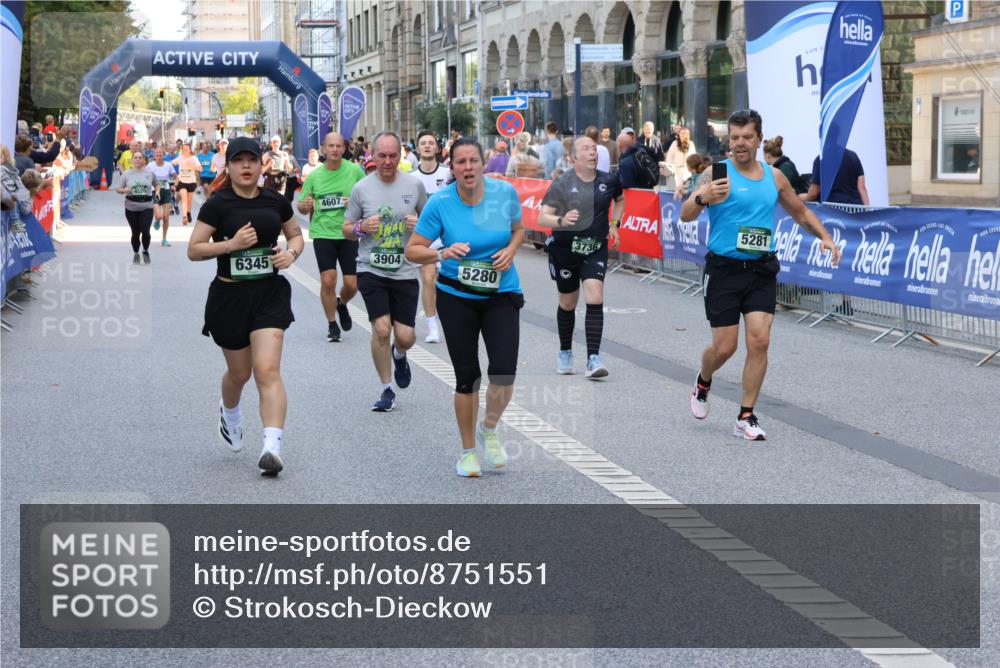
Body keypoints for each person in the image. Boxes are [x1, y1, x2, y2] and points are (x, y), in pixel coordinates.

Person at [680, 109, 842, 441]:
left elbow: (800, 211)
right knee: (724, 348)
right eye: (734, 137)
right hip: (724, 268)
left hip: (761, 268)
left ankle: (746, 415)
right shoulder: (716, 173)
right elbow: (685, 214)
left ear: (759, 140)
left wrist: (825, 237)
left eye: (746, 137)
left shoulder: (774, 177)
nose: (740, 143)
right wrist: (701, 196)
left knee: (760, 340)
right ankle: (703, 380)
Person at [406, 137, 525, 478]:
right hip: (456, 296)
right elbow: (414, 250)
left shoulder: (504, 193)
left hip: (501, 293)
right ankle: (467, 452)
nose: (468, 168)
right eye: (461, 162)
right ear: (452, 166)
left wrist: (511, 250)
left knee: (504, 372)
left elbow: (519, 230)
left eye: (474, 161)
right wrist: (441, 252)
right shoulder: (440, 203)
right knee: (467, 377)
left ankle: (489, 429)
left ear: (483, 163)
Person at [188, 137, 304, 476]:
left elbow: (296, 235)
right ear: (229, 166)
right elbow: (194, 250)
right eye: (239, 161)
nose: (246, 166)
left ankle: (272, 446)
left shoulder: (275, 200)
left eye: (252, 159)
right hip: (229, 296)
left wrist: (291, 254)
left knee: (267, 370)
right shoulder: (217, 204)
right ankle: (230, 412)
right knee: (240, 373)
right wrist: (231, 244)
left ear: (262, 164)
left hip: (269, 294)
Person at [343, 132, 428, 412]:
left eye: (393, 155)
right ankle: (386, 389)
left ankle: (400, 354)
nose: (388, 161)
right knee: (381, 329)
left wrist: (420, 226)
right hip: (371, 268)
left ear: (400, 155)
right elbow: (346, 230)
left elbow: (430, 224)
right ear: (373, 156)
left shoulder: (414, 185)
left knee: (405, 336)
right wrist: (361, 228)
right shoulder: (361, 188)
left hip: (404, 271)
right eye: (382, 156)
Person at [538, 136, 625, 379]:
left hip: (594, 247)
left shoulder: (609, 180)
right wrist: (561, 221)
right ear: (574, 157)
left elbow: (620, 200)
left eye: (594, 148)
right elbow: (542, 217)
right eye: (585, 149)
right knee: (567, 303)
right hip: (565, 250)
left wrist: (615, 224)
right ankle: (565, 351)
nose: (592, 152)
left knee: (595, 297)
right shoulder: (562, 183)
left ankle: (593, 359)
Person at [297, 132, 366, 342]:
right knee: (328, 280)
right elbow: (301, 205)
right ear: (323, 149)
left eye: (339, 146)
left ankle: (342, 303)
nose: (335, 150)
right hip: (322, 233)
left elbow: (368, 197)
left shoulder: (355, 171)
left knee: (352, 284)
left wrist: (353, 204)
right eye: (331, 146)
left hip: (348, 232)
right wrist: (305, 205)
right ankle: (332, 324)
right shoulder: (315, 176)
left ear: (344, 149)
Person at [412, 130, 452, 344]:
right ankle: (432, 325)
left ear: (437, 148)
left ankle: (449, 319)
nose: (427, 146)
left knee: (448, 283)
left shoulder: (447, 175)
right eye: (423, 143)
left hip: (449, 237)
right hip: (425, 239)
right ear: (417, 148)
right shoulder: (410, 178)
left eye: (431, 143)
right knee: (428, 279)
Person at [115, 151, 158, 264]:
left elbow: (157, 184)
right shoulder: (126, 174)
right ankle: (136, 253)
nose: (138, 159)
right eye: (136, 157)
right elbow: (118, 189)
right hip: (131, 207)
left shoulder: (150, 173)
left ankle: (145, 250)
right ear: (132, 160)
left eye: (140, 157)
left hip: (147, 205)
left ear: (144, 160)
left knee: (145, 230)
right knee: (135, 232)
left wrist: (157, 192)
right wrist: (124, 190)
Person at [801, 149, 869, 205]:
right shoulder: (853, 156)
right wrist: (867, 211)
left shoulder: (821, 159)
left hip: (833, 210)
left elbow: (814, 192)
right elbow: (862, 187)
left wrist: (803, 200)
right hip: (855, 208)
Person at [147, 147, 176, 247]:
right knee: (159, 216)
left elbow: (176, 177)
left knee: (166, 218)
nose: (158, 154)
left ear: (164, 155)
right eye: (156, 153)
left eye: (160, 153)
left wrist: (174, 185)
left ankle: (164, 239)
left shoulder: (168, 165)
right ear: (154, 155)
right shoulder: (150, 166)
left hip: (166, 192)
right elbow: (145, 176)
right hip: (154, 191)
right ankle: (157, 221)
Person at [171, 143, 201, 225]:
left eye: (187, 149)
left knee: (189, 201)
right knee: (184, 198)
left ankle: (188, 213)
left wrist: (193, 166)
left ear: (190, 150)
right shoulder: (180, 158)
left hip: (191, 182)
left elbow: (200, 169)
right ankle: (184, 216)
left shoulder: (194, 158)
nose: (185, 151)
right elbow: (171, 163)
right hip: (182, 181)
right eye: (183, 149)